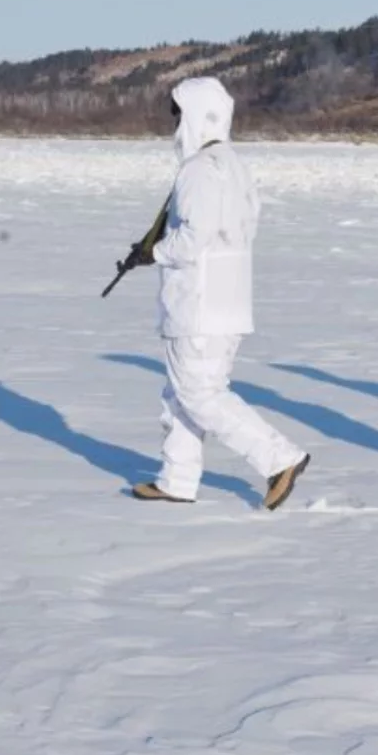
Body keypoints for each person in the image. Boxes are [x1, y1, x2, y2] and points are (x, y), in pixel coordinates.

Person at [124, 77, 310, 510]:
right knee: (183, 391)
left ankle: (279, 458)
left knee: (199, 393)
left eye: (177, 114)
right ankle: (177, 479)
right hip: (227, 297)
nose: (173, 124)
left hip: (198, 303)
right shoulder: (238, 167)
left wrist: (156, 253)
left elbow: (194, 239)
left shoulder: (197, 170)